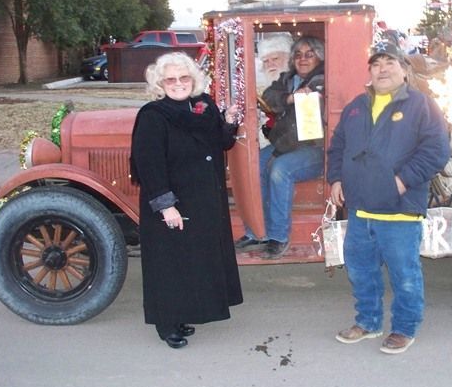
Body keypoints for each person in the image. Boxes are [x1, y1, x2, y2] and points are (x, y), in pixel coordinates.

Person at [327, 39, 450, 354]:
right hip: (360, 210)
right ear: (369, 71)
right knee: (360, 270)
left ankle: (404, 329)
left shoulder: (422, 105)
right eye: (376, 64)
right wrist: (336, 179)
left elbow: (436, 151)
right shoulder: (356, 106)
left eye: (389, 63)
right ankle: (368, 322)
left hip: (399, 212)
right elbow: (338, 145)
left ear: (404, 70)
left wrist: (402, 181)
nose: (382, 70)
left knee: (404, 274)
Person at [130, 52, 243, 349]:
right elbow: (149, 164)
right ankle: (166, 324)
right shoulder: (154, 116)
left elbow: (221, 143)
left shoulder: (203, 107)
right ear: (160, 83)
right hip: (173, 201)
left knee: (192, 263)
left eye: (184, 78)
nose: (178, 83)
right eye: (171, 79)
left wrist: (228, 123)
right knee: (169, 265)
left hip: (202, 201)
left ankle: (183, 315)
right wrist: (166, 206)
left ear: (193, 80)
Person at [235, 36, 325, 259]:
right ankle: (257, 232)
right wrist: (290, 98)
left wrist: (277, 153)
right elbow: (269, 97)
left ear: (319, 57)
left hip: (316, 149)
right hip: (286, 145)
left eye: (309, 54)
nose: (302, 59)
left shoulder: (320, 81)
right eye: (298, 55)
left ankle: (278, 237)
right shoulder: (288, 79)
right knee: (253, 165)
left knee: (279, 170)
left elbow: (303, 131)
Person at [254, 33, 294, 149]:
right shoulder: (265, 86)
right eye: (266, 61)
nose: (270, 64)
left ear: (288, 58)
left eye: (275, 59)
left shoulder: (294, 80)